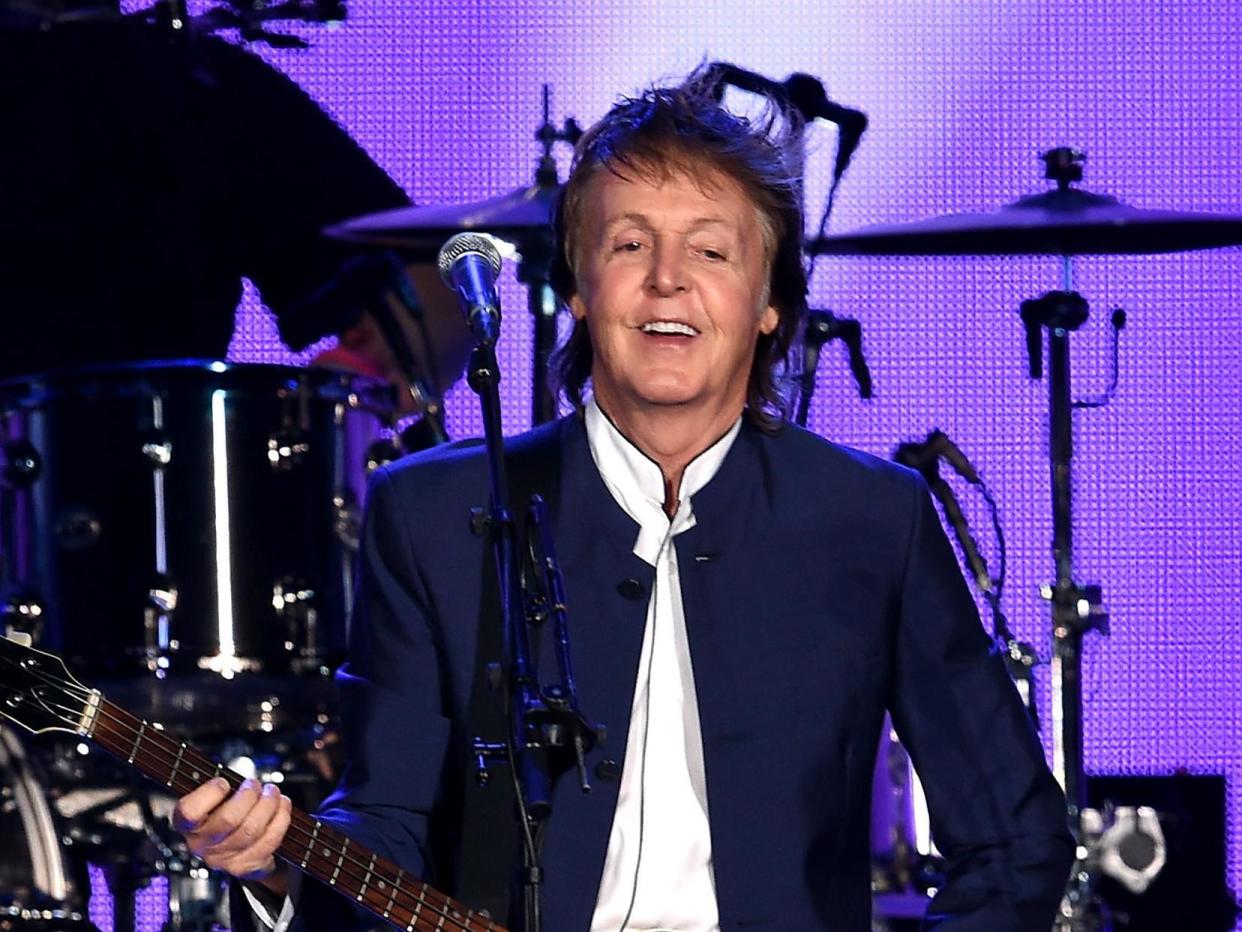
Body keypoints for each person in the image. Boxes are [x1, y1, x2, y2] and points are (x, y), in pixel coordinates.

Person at [173, 70, 1074, 930]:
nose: (668, 278)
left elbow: (1016, 837)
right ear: (578, 289)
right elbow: (387, 820)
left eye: (712, 250)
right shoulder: (431, 511)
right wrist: (284, 865)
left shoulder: (874, 518)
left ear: (769, 302)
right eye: (630, 244)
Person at [0, 0, 466, 398]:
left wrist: (353, 382)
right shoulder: (193, 81)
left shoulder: (192, 86)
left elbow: (433, 286)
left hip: (162, 483)